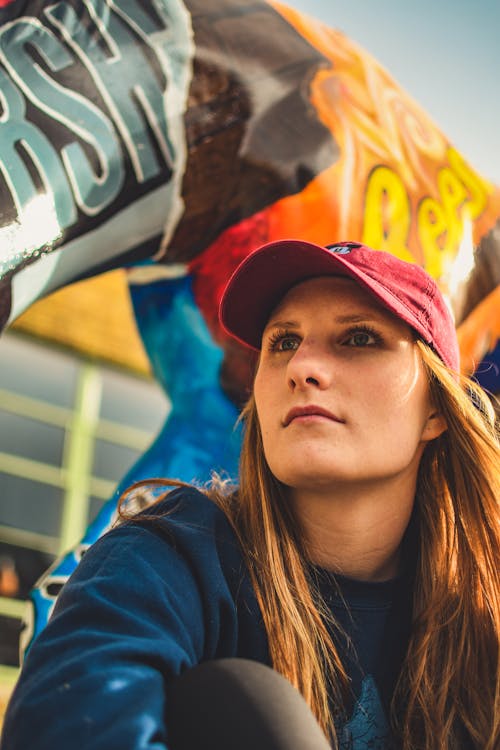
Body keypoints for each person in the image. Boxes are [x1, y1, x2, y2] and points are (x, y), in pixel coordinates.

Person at [1, 240, 498, 750]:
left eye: (358, 338)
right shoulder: (168, 555)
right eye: (283, 341)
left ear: (436, 409)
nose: (301, 367)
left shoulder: (483, 607)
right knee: (244, 701)